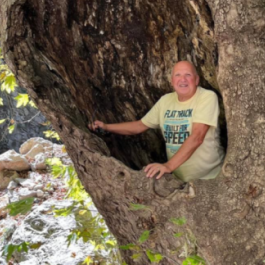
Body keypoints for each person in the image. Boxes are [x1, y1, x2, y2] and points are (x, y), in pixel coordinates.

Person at [89, 61, 224, 182]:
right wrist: (106, 127)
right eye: (178, 75)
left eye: (188, 75)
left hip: (210, 178)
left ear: (196, 80)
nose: (183, 79)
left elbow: (197, 137)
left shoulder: (206, 97)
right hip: (180, 180)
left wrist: (168, 166)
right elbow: (139, 125)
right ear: (172, 81)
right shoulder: (166, 101)